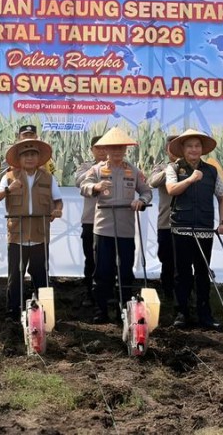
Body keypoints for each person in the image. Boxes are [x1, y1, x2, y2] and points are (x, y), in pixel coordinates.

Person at [81, 128, 152, 324]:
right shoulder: (96, 170)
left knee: (126, 272)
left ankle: (126, 309)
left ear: (125, 150)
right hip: (103, 228)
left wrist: (142, 202)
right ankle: (100, 310)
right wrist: (95, 187)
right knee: (102, 271)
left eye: (121, 148)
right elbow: (83, 187)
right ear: (106, 150)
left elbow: (146, 191)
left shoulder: (134, 170)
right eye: (113, 148)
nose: (117, 152)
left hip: (126, 230)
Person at [0, 138, 64, 321]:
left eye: (33, 155)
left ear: (39, 158)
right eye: (26, 155)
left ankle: (44, 310)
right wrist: (9, 189)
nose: (30, 158)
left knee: (40, 274)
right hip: (17, 235)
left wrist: (58, 209)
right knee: (15, 275)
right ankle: (12, 310)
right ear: (19, 159)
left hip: (40, 234)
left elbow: (58, 200)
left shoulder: (48, 178)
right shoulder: (9, 177)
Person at [165, 129, 223, 330]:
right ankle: (181, 313)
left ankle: (205, 314)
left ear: (202, 149)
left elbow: (222, 197)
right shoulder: (173, 168)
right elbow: (171, 190)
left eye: (197, 146)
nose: (194, 149)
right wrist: (191, 179)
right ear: (183, 149)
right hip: (181, 227)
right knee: (181, 273)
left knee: (203, 272)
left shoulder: (211, 171)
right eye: (189, 146)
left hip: (204, 228)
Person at [73, 135, 106, 306]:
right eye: (97, 147)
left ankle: (110, 291)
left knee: (111, 258)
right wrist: (96, 168)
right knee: (90, 258)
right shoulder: (86, 166)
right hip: (90, 219)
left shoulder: (118, 166)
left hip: (111, 220)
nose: (101, 150)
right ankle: (89, 291)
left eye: (105, 146)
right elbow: (78, 182)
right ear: (92, 150)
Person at [148, 135, 178, 299]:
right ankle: (167, 291)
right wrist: (172, 168)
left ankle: (184, 291)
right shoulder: (161, 168)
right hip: (166, 223)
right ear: (167, 151)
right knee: (166, 258)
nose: (175, 151)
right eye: (171, 148)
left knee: (185, 260)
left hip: (186, 224)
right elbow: (152, 182)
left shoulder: (193, 168)